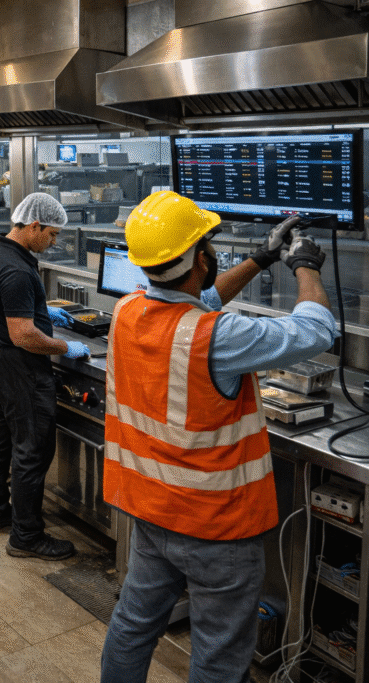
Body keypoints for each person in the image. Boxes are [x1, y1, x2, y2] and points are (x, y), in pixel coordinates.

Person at [100, 191, 337, 682]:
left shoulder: (126, 311)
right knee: (219, 652)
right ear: (201, 261)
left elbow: (196, 301)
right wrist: (305, 266)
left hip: (152, 510)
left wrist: (261, 258)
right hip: (216, 525)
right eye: (208, 246)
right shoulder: (218, 337)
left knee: (133, 623)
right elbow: (315, 331)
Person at [0, 193, 88, 561]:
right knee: (31, 451)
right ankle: (27, 536)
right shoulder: (18, 270)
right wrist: (64, 348)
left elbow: (9, 313)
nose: (54, 243)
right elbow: (24, 335)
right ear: (35, 225)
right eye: (53, 234)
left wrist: (43, 314)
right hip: (21, 367)